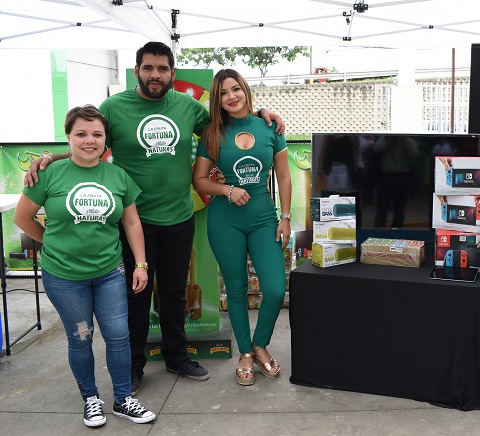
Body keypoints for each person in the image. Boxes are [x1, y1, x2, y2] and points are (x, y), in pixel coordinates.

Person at [24, 41, 286, 396]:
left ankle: (177, 357)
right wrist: (51, 158)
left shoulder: (188, 107)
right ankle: (134, 367)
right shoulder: (114, 107)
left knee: (175, 293)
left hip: (178, 216)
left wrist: (267, 111)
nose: (155, 75)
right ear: (137, 71)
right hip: (134, 221)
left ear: (172, 74)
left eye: (163, 69)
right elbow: (88, 141)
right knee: (136, 296)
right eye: (149, 68)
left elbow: (232, 119)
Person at [13, 105, 156, 427]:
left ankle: (122, 399)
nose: (89, 140)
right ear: (69, 137)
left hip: (109, 273)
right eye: (81, 134)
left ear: (106, 140)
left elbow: (132, 223)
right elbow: (22, 218)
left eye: (96, 134)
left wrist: (141, 264)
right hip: (64, 278)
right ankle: (91, 398)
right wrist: (50, 242)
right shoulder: (47, 174)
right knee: (81, 337)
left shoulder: (118, 176)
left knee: (119, 336)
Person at [192, 69, 291, 386]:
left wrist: (285, 217)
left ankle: (260, 344)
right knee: (235, 290)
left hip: (264, 217)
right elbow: (200, 180)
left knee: (275, 288)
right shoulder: (212, 134)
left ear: (246, 90)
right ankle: (246, 354)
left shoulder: (269, 126)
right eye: (223, 93)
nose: (231, 97)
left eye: (236, 89)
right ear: (218, 101)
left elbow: (285, 177)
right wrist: (226, 190)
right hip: (225, 220)